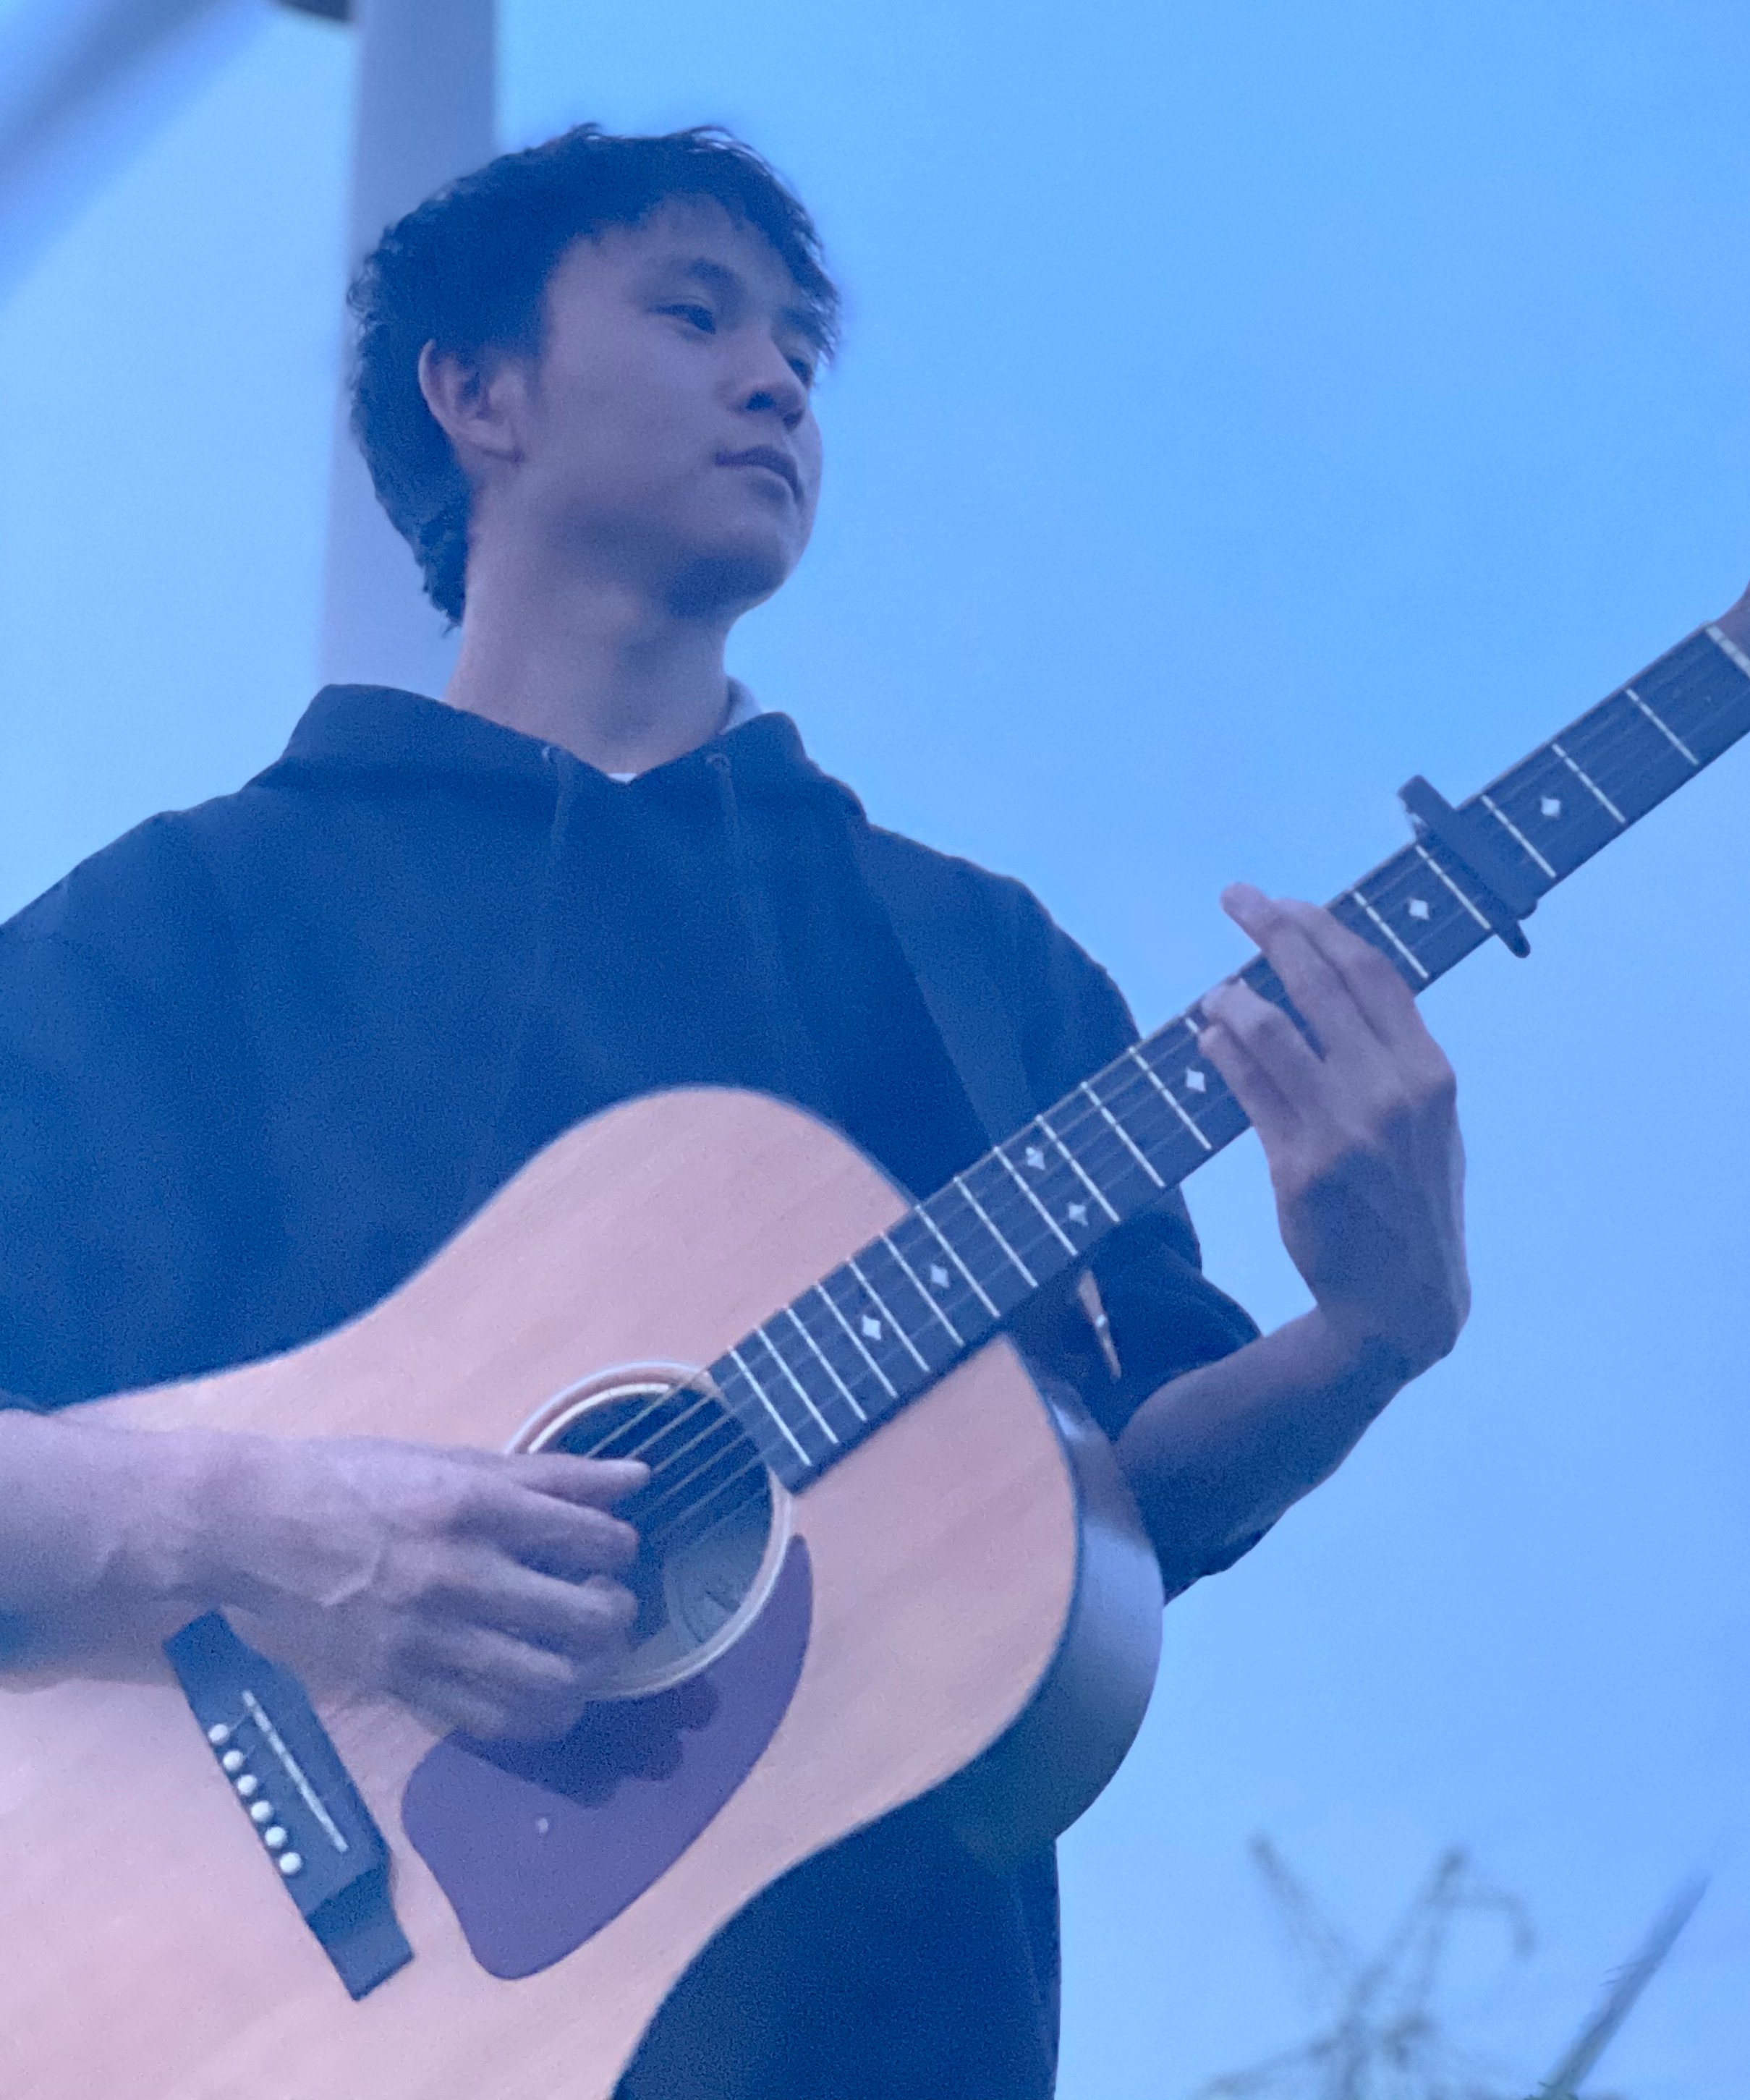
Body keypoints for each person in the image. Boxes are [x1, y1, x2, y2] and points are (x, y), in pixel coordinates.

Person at [0, 127, 1468, 2097]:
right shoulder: (181, 923)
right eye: (696, 316)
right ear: (479, 393)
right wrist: (267, 1532)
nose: (776, 380)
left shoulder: (980, 964)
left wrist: (1369, 1335)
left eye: (798, 347)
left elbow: (1124, 1511)